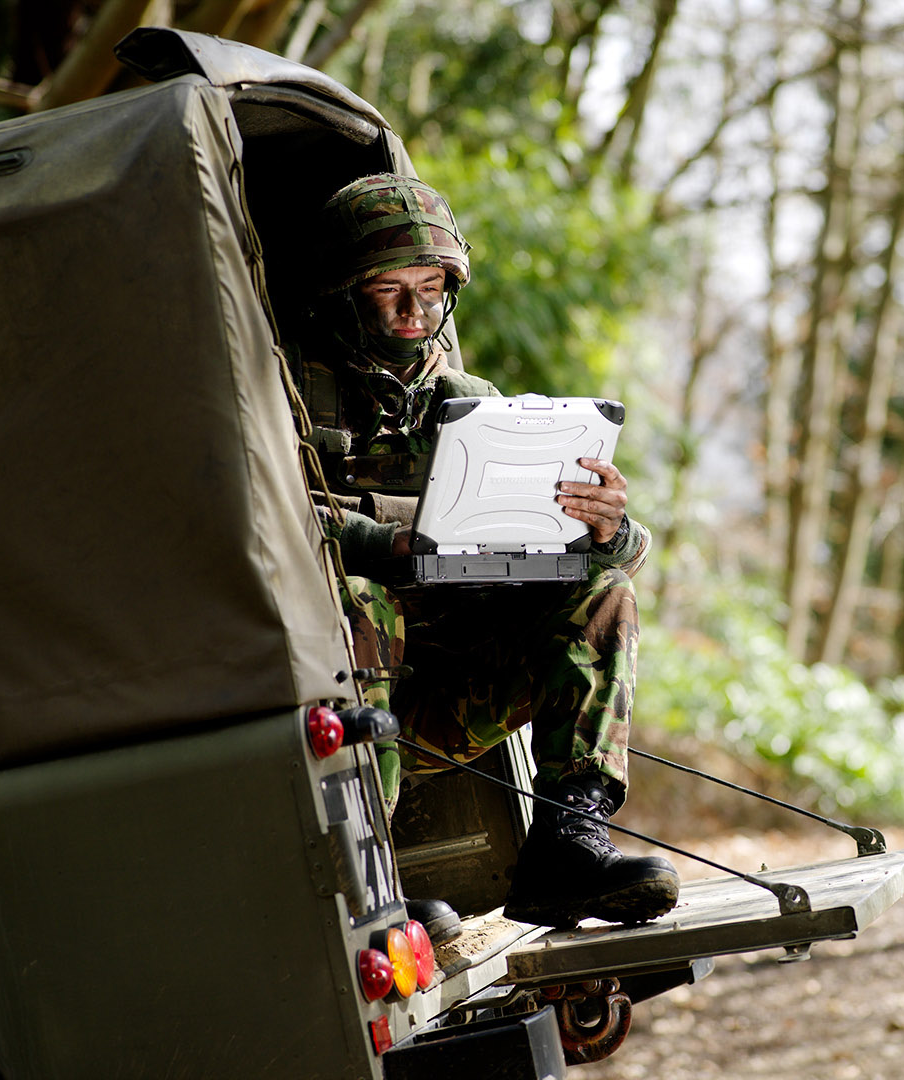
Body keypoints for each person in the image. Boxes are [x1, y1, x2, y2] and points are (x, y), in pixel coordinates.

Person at [288, 173, 678, 931]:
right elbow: (263, 520)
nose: (414, 312)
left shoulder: (472, 403)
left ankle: (568, 846)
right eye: (387, 291)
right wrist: (386, 541)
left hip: (452, 697)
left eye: (430, 288)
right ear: (341, 293)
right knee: (363, 600)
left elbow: (582, 558)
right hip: (341, 705)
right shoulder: (286, 394)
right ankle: (370, 886)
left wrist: (608, 532)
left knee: (606, 594)